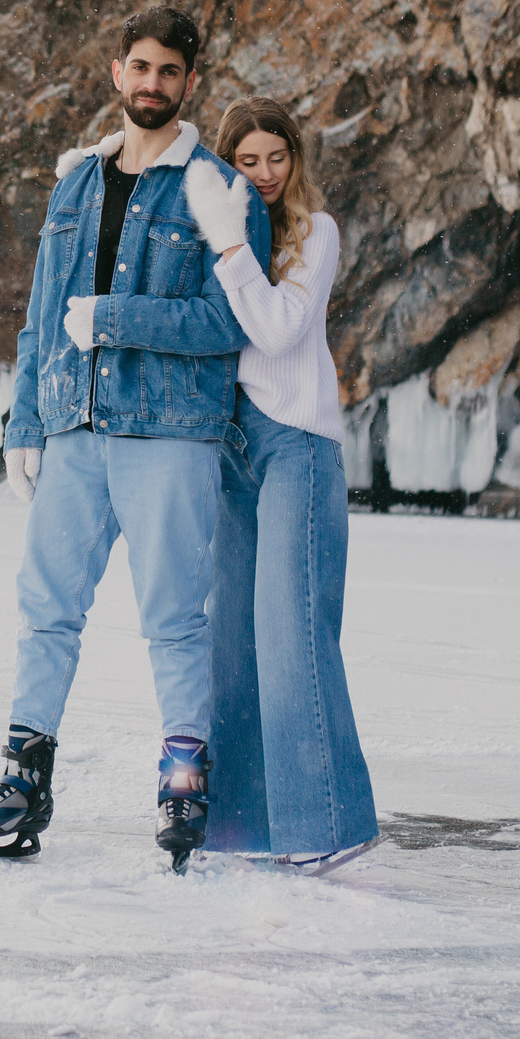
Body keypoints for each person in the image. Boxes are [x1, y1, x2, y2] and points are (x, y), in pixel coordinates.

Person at [0, 6, 273, 872]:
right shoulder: (75, 185)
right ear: (115, 71)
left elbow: (231, 322)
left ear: (190, 83)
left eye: (169, 72)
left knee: (173, 617)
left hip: (171, 434)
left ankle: (181, 780)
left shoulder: (219, 190)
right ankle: (23, 776)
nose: (152, 85)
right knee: (45, 609)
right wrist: (25, 419)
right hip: (75, 431)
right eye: (140, 67)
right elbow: (38, 319)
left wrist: (117, 319)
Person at [179, 94, 379, 873]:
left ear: (294, 159)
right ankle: (240, 828)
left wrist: (231, 249)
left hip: (296, 441)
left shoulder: (313, 233)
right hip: (230, 447)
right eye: (247, 160)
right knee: (232, 640)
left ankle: (328, 822)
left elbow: (277, 329)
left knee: (292, 635)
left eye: (276, 157)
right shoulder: (219, 231)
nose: (263, 174)